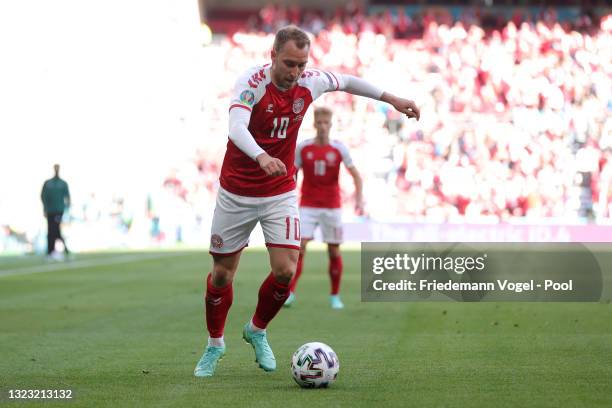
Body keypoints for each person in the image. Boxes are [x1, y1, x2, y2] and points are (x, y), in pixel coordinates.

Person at [194, 25, 420, 377]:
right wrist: (260, 157)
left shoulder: (310, 81)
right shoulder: (251, 83)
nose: (295, 72)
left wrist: (392, 98)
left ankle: (257, 330)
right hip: (236, 190)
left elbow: (347, 81)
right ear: (272, 56)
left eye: (301, 65)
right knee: (222, 275)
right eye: (289, 64)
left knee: (286, 270)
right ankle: (214, 344)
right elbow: (236, 127)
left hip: (279, 191)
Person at [284, 106, 362, 309]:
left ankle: (335, 296)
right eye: (319, 123)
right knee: (299, 248)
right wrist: (288, 197)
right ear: (314, 124)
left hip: (332, 206)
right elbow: (293, 173)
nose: (322, 126)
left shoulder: (338, 148)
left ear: (331, 125)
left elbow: (355, 174)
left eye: (326, 123)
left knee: (334, 251)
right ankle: (289, 292)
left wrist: (359, 198)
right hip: (307, 205)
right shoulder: (303, 148)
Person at [41, 164, 71, 259]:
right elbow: (43, 196)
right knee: (52, 231)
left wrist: (65, 209)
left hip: (59, 210)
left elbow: (68, 198)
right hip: (50, 210)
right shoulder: (48, 183)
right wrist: (45, 208)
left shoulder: (63, 183)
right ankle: (54, 251)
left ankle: (53, 251)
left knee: (55, 230)